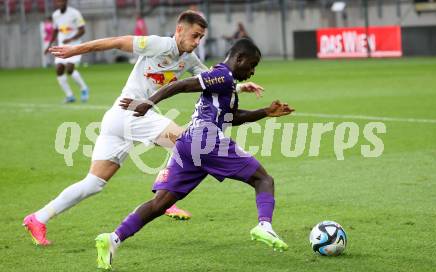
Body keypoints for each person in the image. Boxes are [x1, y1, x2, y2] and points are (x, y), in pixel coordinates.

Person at [23, 10, 263, 246]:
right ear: (179, 29)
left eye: (201, 37)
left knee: (94, 183)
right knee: (186, 140)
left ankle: (38, 218)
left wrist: (241, 87)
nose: (198, 41)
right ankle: (166, 196)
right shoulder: (158, 44)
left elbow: (211, 80)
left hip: (123, 117)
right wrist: (75, 49)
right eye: (195, 35)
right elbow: (117, 42)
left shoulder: (189, 59)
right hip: (129, 112)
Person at [95, 38, 293, 270]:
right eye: (251, 65)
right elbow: (180, 85)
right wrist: (148, 102)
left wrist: (265, 112)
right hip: (206, 139)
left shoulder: (226, 84)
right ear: (239, 59)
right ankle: (264, 225)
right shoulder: (223, 76)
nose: (252, 71)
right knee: (263, 179)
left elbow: (232, 117)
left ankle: (113, 238)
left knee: (160, 204)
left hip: (189, 144)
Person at [44, 0, 89, 103]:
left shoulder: (75, 13)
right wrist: (49, 45)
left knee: (69, 68)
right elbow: (55, 31)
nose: (59, 3)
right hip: (62, 46)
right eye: (57, 2)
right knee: (59, 69)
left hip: (75, 46)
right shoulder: (55, 15)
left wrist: (71, 39)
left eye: (61, 1)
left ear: (66, 2)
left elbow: (82, 30)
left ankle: (84, 88)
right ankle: (69, 96)